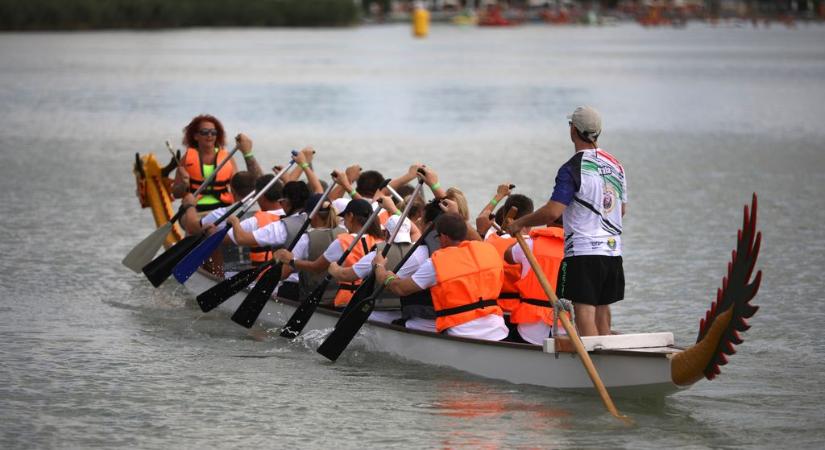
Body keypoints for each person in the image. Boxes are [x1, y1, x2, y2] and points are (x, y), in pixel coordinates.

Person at [506, 105, 627, 337]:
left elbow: (552, 212)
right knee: (603, 307)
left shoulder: (572, 169)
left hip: (583, 251)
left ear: (573, 130)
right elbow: (621, 210)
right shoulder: (616, 165)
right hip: (613, 251)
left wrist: (521, 223)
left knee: (584, 307)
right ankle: (607, 356)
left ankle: (590, 361)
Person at [375, 213, 509, 341]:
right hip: (498, 330)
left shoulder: (436, 263)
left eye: (437, 236)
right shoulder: (489, 250)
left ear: (443, 237)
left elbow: (400, 289)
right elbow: (478, 241)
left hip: (462, 334)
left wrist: (381, 269)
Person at [273, 199, 383, 307]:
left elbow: (316, 267)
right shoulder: (379, 240)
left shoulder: (343, 241)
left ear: (350, 216)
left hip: (347, 300)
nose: (344, 221)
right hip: (368, 299)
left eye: (344, 217)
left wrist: (291, 261)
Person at [227, 181, 311, 299]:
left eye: (281, 202)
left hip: (286, 286)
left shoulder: (281, 227)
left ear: (286, 202)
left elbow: (241, 238)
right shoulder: (316, 220)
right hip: (310, 286)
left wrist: (235, 222)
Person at [171, 114, 263, 211]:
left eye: (213, 132)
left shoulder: (227, 158)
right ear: (195, 136)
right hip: (194, 207)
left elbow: (237, 188)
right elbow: (176, 194)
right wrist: (183, 185)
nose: (209, 135)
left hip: (222, 207)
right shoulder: (186, 159)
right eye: (204, 132)